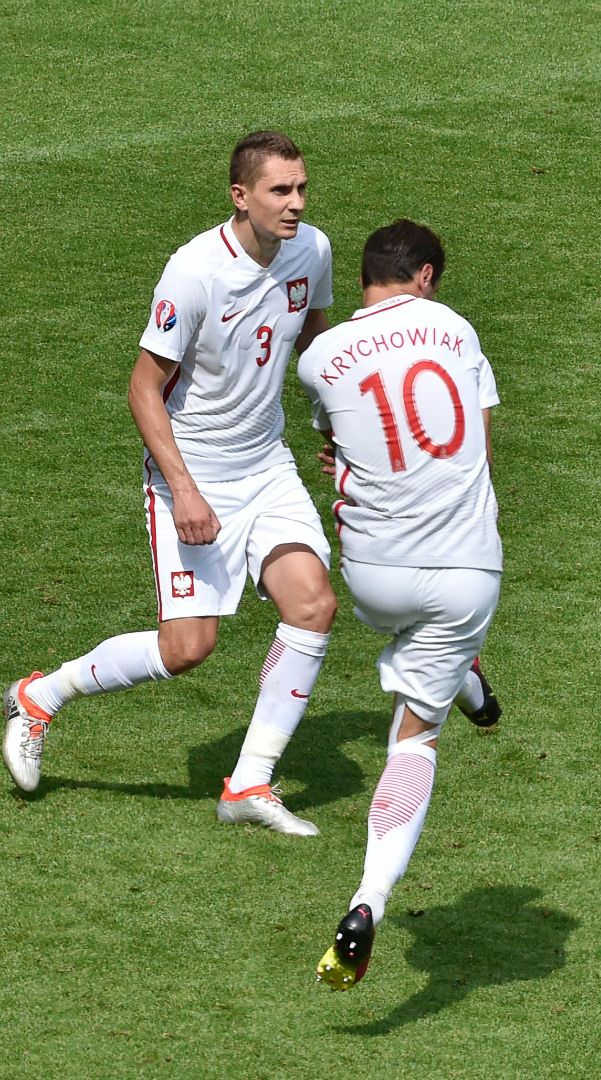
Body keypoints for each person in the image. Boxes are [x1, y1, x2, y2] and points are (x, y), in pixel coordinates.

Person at [4, 131, 339, 835]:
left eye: (302, 188)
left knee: (312, 604)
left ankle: (248, 784)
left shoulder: (313, 250)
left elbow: (313, 339)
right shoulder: (193, 273)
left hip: (267, 464)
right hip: (195, 476)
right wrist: (184, 490)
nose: (296, 203)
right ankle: (40, 696)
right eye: (281, 191)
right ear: (240, 196)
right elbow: (143, 388)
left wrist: (344, 426)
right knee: (188, 648)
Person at [300, 220, 503, 990]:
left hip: (372, 576)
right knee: (413, 742)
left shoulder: (320, 358)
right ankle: (369, 900)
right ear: (423, 277)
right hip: (462, 571)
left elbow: (339, 446)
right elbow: (478, 442)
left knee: (430, 641)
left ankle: (469, 679)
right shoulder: (455, 328)